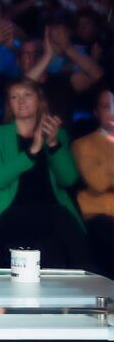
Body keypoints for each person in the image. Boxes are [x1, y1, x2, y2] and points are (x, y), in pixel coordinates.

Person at [0, 79, 89, 270]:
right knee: (43, 242)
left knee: (65, 243)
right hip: (10, 211)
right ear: (9, 104)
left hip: (52, 210)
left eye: (27, 95)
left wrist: (53, 143)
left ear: (40, 100)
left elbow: (69, 179)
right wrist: (32, 151)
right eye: (14, 97)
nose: (21, 101)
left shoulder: (58, 134)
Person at [72, 88, 114, 277]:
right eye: (106, 107)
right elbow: (98, 183)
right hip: (100, 215)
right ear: (96, 112)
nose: (112, 112)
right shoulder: (83, 144)